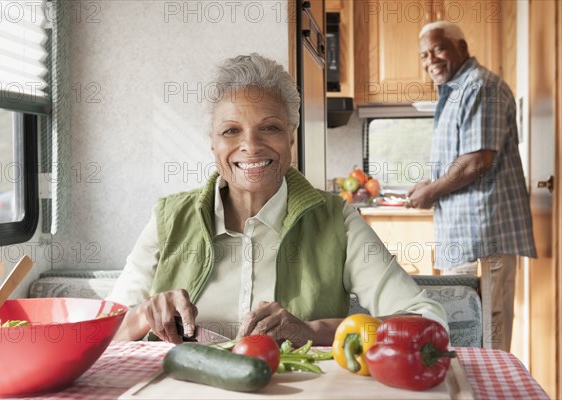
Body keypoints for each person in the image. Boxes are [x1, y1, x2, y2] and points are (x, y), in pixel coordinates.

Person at [108, 53, 447, 345]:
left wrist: (313, 331)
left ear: (291, 137)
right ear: (213, 144)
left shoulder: (336, 220)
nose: (251, 146)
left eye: (269, 128)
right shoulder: (169, 218)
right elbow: (99, 334)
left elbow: (429, 324)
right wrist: (142, 315)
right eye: (231, 131)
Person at [407, 21, 536, 351]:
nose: (430, 60)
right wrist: (431, 184)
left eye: (438, 49)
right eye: (424, 55)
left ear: (461, 48)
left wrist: (431, 192)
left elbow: (479, 159)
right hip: (465, 234)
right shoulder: (456, 89)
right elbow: (464, 158)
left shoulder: (480, 86)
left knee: (489, 328)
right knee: (464, 327)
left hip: (485, 235)